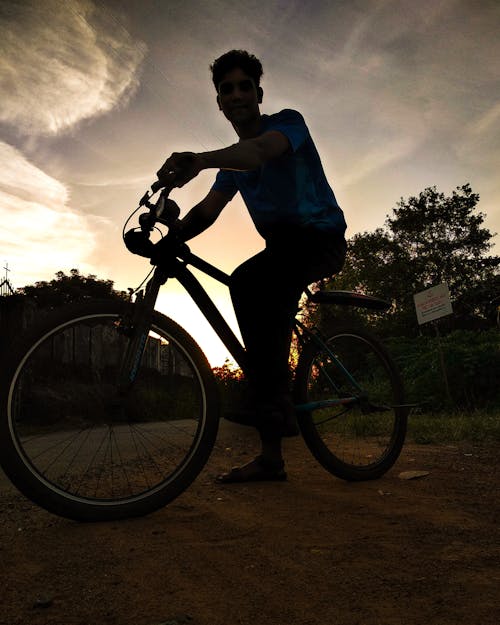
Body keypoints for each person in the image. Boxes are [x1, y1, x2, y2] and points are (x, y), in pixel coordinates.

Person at [155, 50, 347, 483]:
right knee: (257, 298)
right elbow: (208, 209)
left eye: (245, 86)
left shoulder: (287, 123)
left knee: (248, 281)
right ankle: (271, 457)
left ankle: (270, 399)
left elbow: (259, 152)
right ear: (219, 102)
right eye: (227, 89)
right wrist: (171, 238)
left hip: (320, 239)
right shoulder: (232, 165)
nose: (237, 94)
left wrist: (200, 159)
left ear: (259, 93)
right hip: (282, 249)